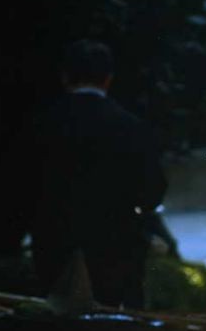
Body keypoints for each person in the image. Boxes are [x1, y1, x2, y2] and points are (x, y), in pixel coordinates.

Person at [19, 39, 167, 309]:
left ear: (65, 77)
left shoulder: (41, 126)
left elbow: (21, 187)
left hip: (53, 246)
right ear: (108, 79)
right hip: (114, 249)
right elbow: (152, 191)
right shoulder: (129, 127)